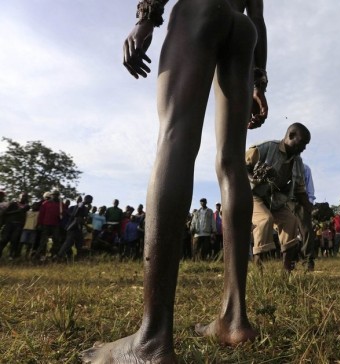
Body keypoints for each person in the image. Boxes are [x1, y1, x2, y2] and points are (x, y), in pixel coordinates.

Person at [80, 0, 267, 361]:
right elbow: (257, 15)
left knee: (175, 138)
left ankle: (151, 339)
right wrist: (259, 79)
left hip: (201, 9)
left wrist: (146, 19)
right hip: (244, 29)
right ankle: (234, 317)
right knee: (231, 163)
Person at [246, 123, 313, 271]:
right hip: (254, 195)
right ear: (290, 136)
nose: (304, 148)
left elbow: (301, 191)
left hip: (275, 200)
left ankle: (286, 271)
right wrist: (254, 178)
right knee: (265, 219)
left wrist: (312, 209)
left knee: (291, 220)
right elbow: (239, 166)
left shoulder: (298, 162)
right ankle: (258, 271)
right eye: (302, 143)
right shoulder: (266, 147)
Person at [56, 195, 94, 260]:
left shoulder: (83, 207)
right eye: (91, 200)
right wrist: (87, 226)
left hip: (77, 228)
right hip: (73, 227)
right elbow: (76, 217)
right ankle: (59, 257)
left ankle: (77, 258)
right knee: (68, 244)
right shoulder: (80, 205)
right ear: (87, 199)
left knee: (79, 244)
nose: (91, 201)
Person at [294, 162, 316, 271]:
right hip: (285, 202)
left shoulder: (305, 167)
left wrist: (309, 204)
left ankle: (308, 261)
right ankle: (291, 260)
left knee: (306, 231)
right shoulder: (281, 164)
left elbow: (310, 188)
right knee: (289, 232)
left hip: (302, 202)